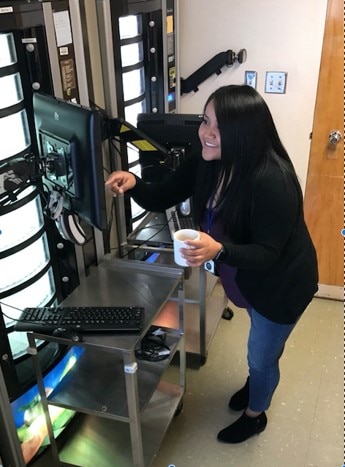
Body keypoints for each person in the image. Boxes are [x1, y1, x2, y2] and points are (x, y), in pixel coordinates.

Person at [105, 85, 318, 444]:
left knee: (262, 356)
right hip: (247, 277)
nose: (207, 133)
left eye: (220, 127)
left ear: (245, 133)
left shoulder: (272, 179)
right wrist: (135, 183)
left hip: (282, 285)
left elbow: (268, 253)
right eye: (205, 121)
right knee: (259, 345)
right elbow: (164, 195)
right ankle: (255, 384)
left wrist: (218, 250)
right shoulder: (206, 160)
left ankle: (255, 415)